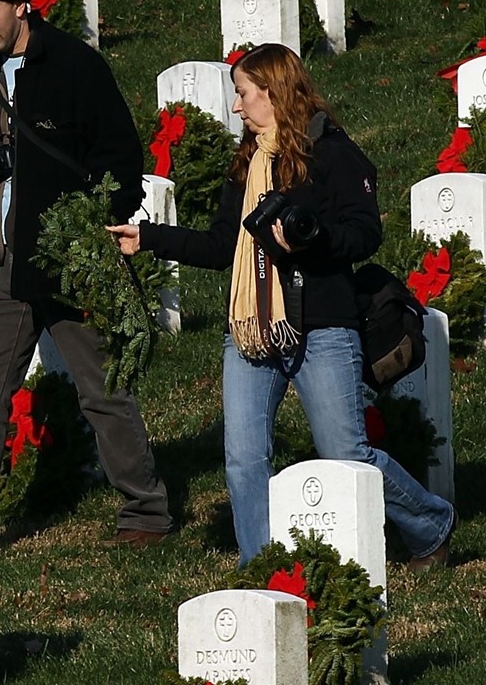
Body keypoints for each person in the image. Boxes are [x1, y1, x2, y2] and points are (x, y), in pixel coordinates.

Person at [107, 43, 455, 569]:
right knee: (245, 459)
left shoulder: (335, 154)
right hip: (251, 329)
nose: (236, 107)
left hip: (322, 328)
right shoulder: (245, 163)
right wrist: (149, 237)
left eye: (243, 94)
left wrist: (310, 241)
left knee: (346, 454)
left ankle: (431, 525)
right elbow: (225, 246)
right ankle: (262, 568)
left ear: (273, 92)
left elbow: (365, 234)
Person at [0, 0, 171, 545]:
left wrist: (94, 231)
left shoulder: (77, 66)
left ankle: (145, 512)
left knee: (102, 391)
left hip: (71, 261)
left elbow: (121, 159)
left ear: (23, 3)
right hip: (5, 261)